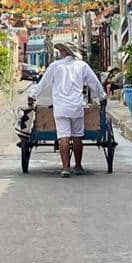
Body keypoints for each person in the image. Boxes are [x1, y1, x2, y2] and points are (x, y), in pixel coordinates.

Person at [27, 41, 106, 177]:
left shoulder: (55, 66)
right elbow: (94, 83)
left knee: (63, 136)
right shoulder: (82, 66)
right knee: (77, 137)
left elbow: (43, 83)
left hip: (61, 108)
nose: (60, 53)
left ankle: (65, 168)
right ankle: (79, 166)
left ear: (65, 52)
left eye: (61, 50)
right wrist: (102, 96)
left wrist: (32, 95)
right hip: (76, 107)